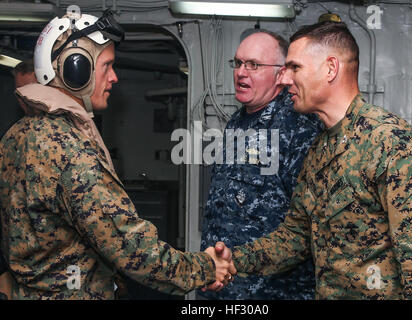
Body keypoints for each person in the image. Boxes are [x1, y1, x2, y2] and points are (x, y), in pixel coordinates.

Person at [0, 8, 235, 300]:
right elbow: (132, 249)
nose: (114, 78)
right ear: (77, 69)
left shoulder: (18, 134)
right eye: (107, 66)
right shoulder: (70, 151)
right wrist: (205, 268)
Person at [214, 21, 412, 299]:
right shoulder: (320, 148)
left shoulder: (389, 141)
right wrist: (233, 260)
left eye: (295, 68)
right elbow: (295, 238)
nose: (285, 79)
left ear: (330, 69)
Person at [199, 30, 322, 300]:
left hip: (271, 292)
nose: (241, 72)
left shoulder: (298, 127)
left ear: (281, 75)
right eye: (238, 63)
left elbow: (306, 227)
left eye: (254, 65)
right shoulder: (236, 122)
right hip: (222, 289)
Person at [0, 59, 38, 300]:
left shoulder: (65, 138)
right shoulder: (10, 141)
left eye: (31, 92)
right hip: (17, 261)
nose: (25, 101)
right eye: (20, 94)